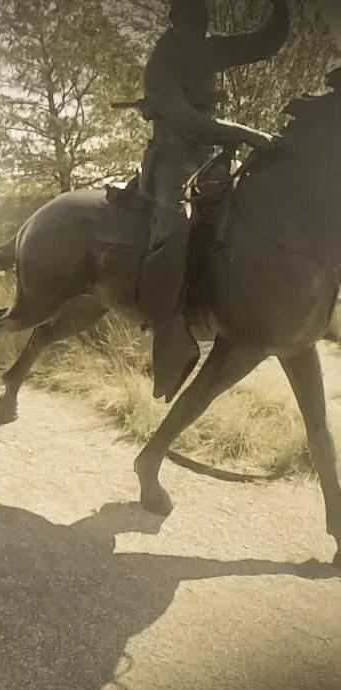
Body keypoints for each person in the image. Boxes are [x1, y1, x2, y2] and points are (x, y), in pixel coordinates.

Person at [136, 0, 288, 401]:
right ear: (175, 20)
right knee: (176, 221)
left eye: (204, 20)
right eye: (193, 20)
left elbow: (265, 44)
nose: (200, 27)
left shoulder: (207, 48)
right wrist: (249, 134)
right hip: (174, 157)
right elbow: (187, 120)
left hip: (213, 158)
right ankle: (168, 325)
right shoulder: (161, 63)